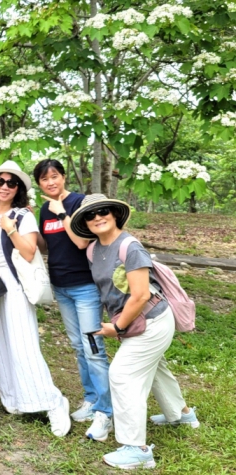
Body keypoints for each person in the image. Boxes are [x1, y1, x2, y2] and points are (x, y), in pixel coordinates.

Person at [70, 194, 199, 470]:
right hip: (136, 321)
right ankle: (181, 415)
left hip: (152, 320)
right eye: (90, 215)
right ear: (85, 223)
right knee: (156, 369)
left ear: (115, 214)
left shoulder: (130, 247)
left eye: (103, 211)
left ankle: (136, 450)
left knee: (123, 375)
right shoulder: (93, 250)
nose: (97, 217)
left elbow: (140, 295)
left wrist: (117, 327)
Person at [0, 161, 71, 438]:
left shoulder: (22, 216)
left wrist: (10, 229)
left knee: (23, 344)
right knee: (1, 343)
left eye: (11, 183)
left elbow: (30, 252)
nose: (4, 186)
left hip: (15, 285)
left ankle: (54, 403)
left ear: (18, 188)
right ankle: (16, 398)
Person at [33, 159, 113, 441]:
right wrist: (30, 225)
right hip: (61, 286)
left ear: (64, 177)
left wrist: (62, 211)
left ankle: (106, 410)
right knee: (80, 346)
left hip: (85, 286)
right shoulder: (45, 209)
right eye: (44, 179)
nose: (50, 182)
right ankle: (91, 399)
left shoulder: (79, 203)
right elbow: (46, 245)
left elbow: (81, 241)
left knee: (93, 348)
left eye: (54, 176)